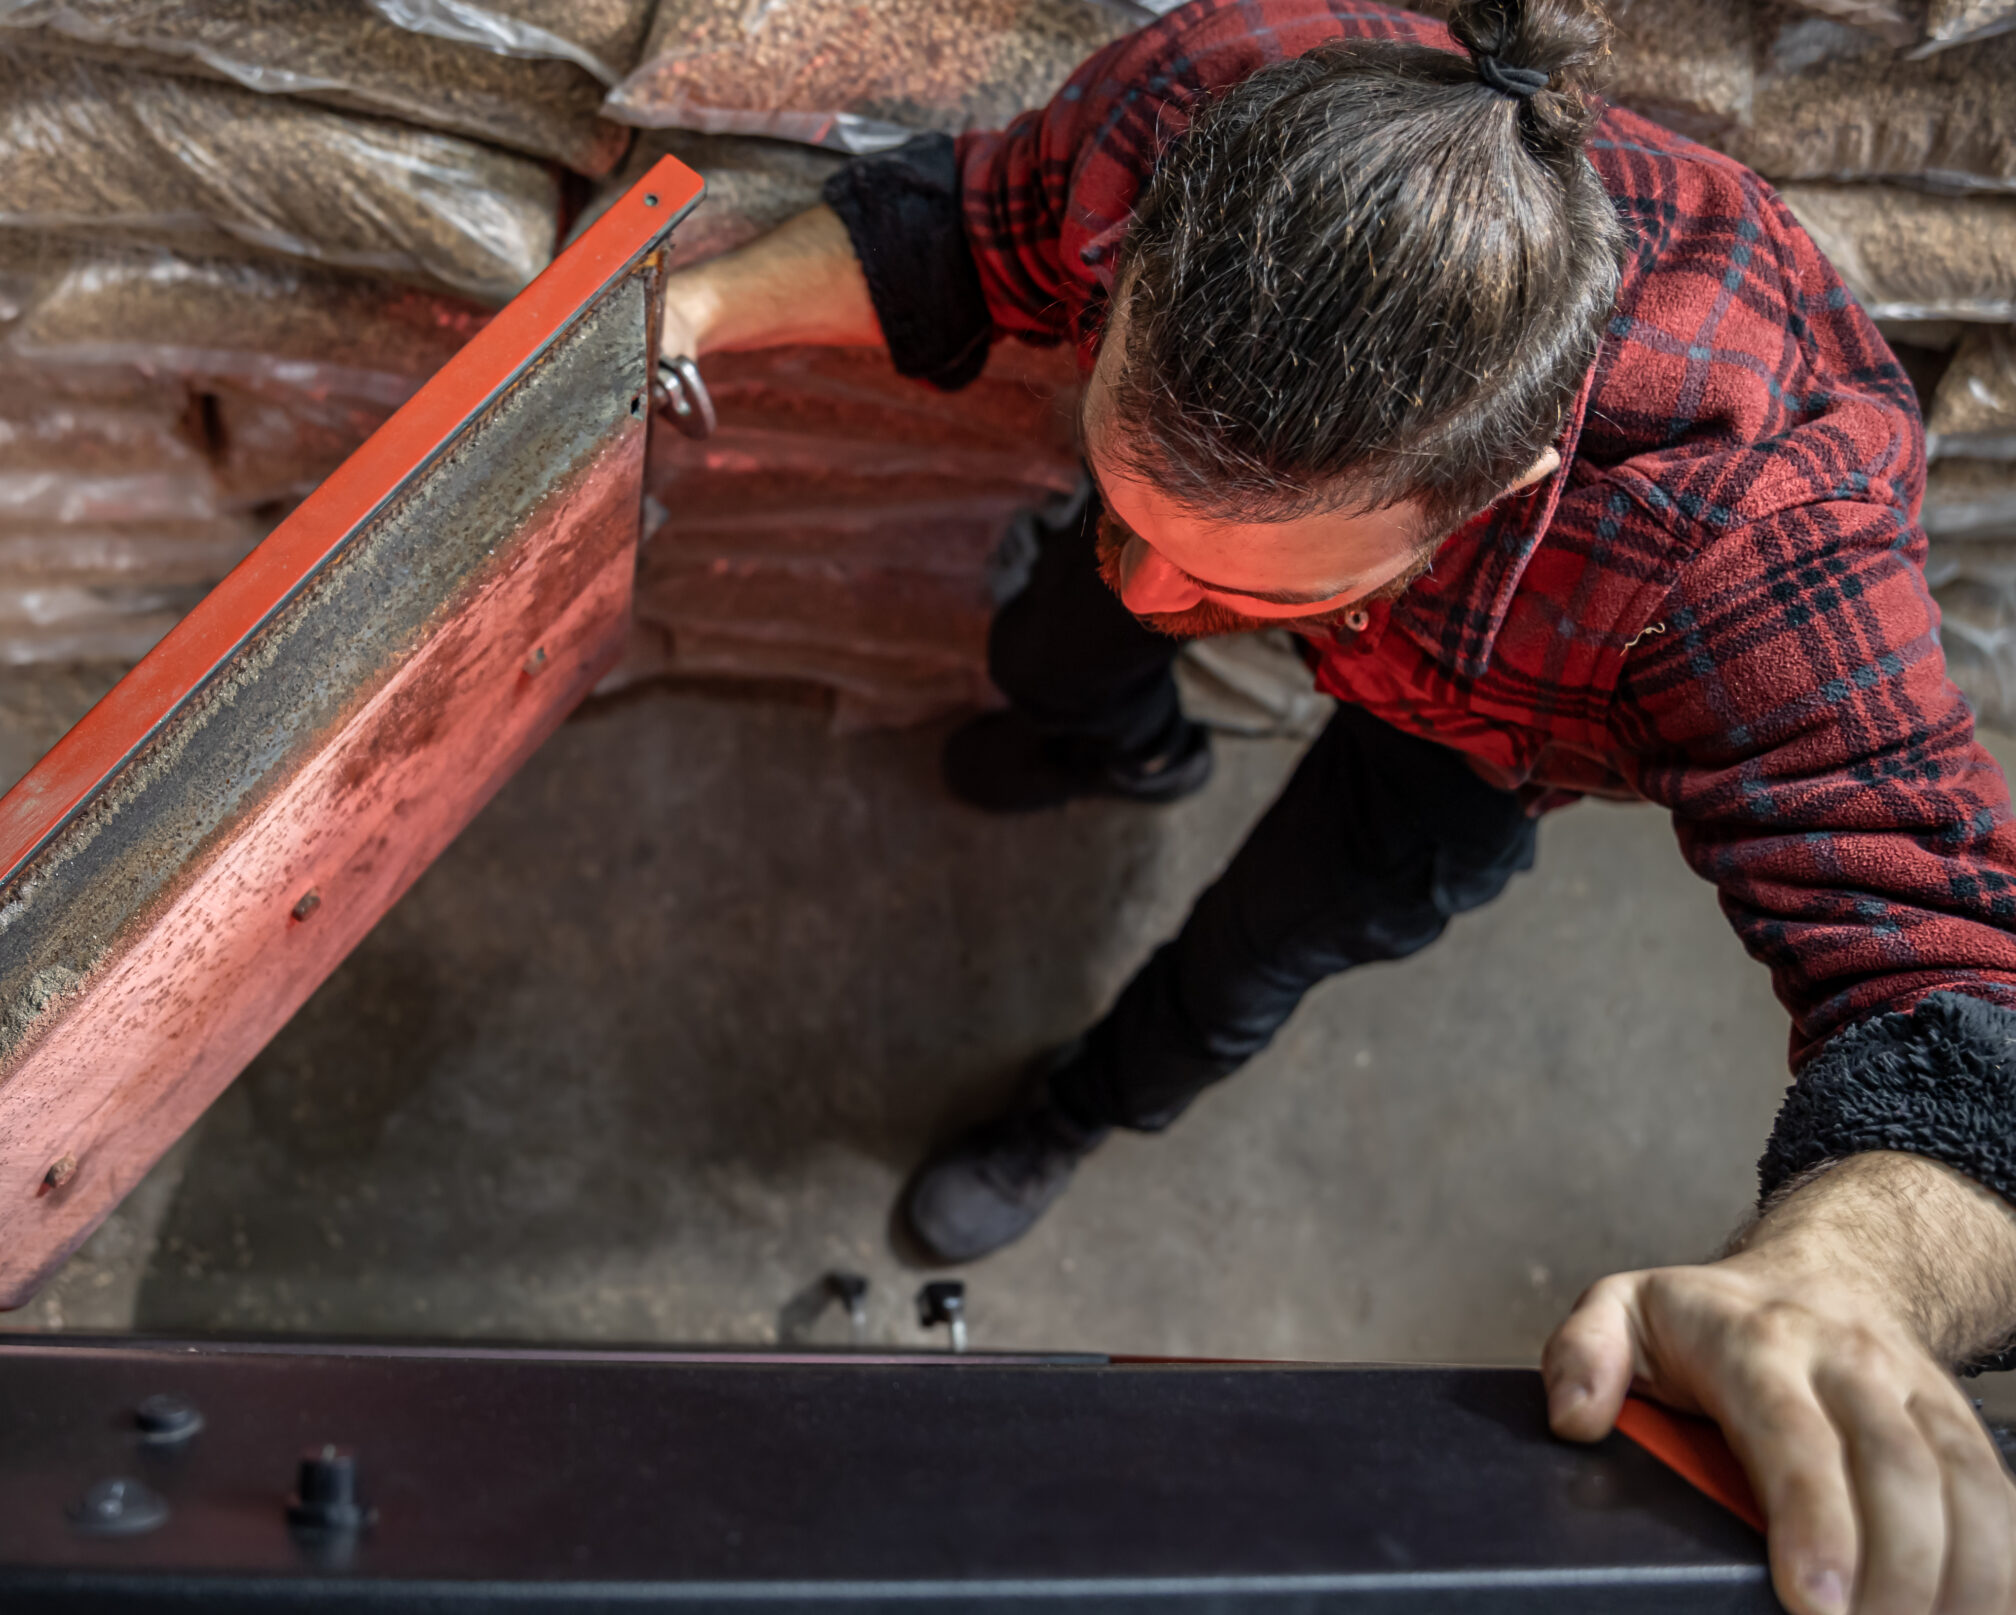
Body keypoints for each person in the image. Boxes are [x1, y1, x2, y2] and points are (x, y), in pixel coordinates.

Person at [660, 0, 2016, 1610]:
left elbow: (1961, 1007)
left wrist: (1840, 1283)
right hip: (1345, 557)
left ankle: (1075, 1112)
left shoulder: (1744, 522)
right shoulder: (1205, 107)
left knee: (1254, 955)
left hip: (1474, 733)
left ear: (1500, 486)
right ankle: (1124, 745)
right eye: (1140, 487)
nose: (1162, 596)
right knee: (1059, 626)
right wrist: (688, 309)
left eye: (1229, 572)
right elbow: (969, 222)